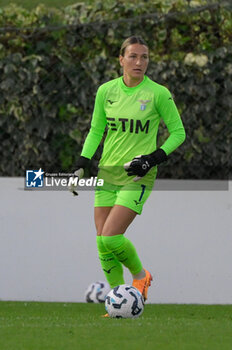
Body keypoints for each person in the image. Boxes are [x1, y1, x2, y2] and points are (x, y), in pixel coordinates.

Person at [72, 36, 186, 315]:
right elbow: (96, 130)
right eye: (133, 56)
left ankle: (140, 276)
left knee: (111, 238)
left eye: (144, 57)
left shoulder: (158, 93)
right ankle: (115, 300)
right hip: (107, 173)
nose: (139, 62)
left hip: (138, 176)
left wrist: (151, 159)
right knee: (101, 241)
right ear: (121, 60)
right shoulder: (106, 91)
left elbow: (179, 133)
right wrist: (83, 163)